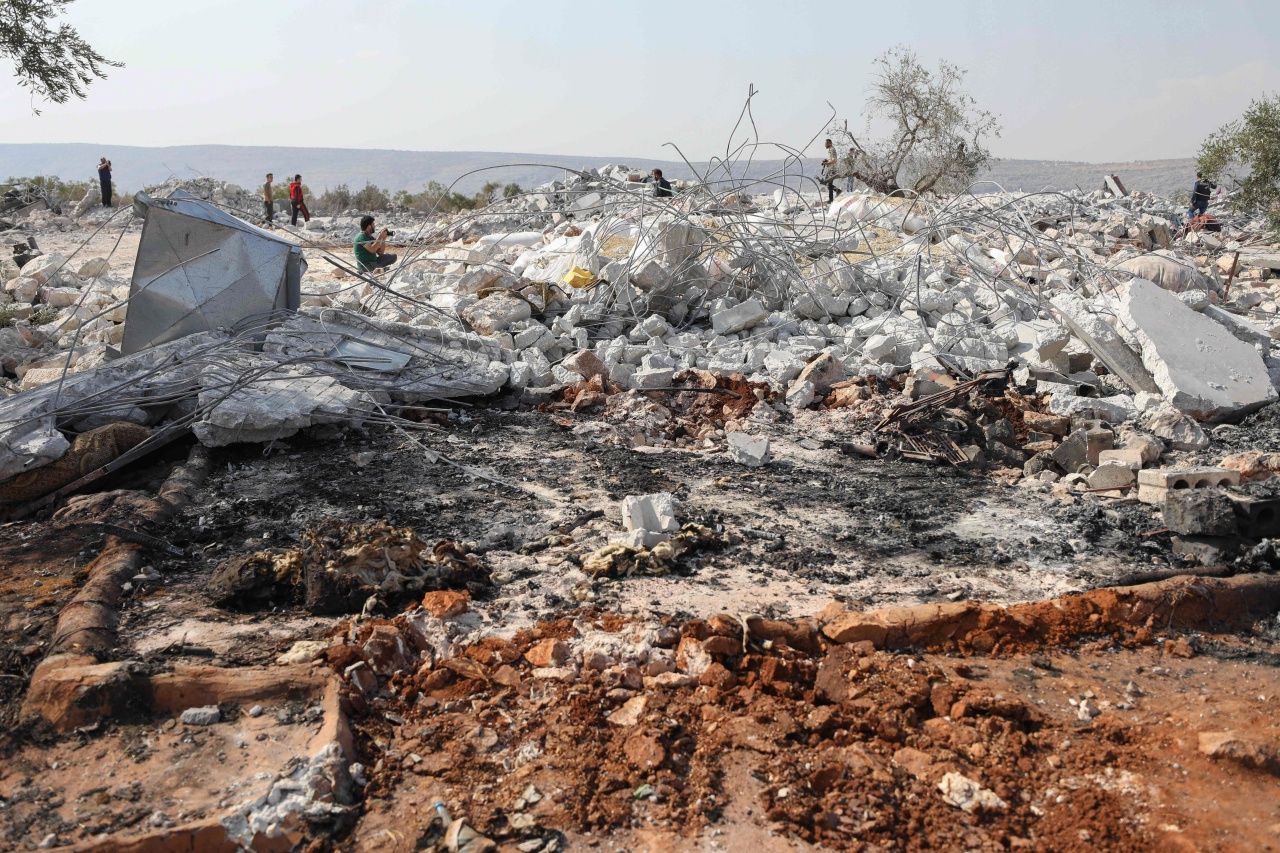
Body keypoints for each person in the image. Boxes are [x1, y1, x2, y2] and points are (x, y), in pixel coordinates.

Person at [820, 138, 842, 204]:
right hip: (830, 169)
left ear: (830, 143)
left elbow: (834, 160)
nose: (825, 145)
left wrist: (826, 163)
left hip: (832, 169)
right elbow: (831, 159)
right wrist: (826, 161)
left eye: (826, 143)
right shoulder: (830, 150)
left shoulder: (832, 149)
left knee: (827, 183)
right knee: (828, 184)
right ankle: (832, 197)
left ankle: (836, 193)